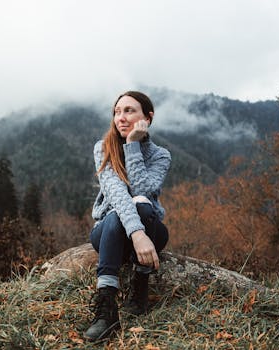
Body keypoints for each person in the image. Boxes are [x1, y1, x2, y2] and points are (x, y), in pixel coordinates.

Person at [84, 91, 171, 341]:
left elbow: (143, 192)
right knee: (115, 214)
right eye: (116, 111)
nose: (120, 118)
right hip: (109, 232)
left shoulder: (160, 155)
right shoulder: (103, 148)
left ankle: (140, 283)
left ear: (148, 117)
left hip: (149, 225)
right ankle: (106, 308)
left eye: (129, 111)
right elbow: (117, 195)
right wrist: (138, 234)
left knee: (143, 204)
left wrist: (133, 145)